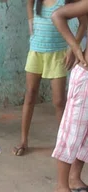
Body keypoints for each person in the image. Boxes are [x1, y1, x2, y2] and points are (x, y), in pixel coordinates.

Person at [12, 0, 87, 156]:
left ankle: (64, 145)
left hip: (58, 55)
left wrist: (73, 48)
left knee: (59, 101)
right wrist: (30, 21)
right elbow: (28, 4)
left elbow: (83, 22)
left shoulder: (66, 0)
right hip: (35, 52)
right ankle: (23, 140)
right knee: (30, 95)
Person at [50, 1, 88, 191]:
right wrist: (74, 47)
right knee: (72, 132)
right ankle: (61, 186)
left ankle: (74, 178)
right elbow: (58, 15)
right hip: (86, 79)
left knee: (86, 135)